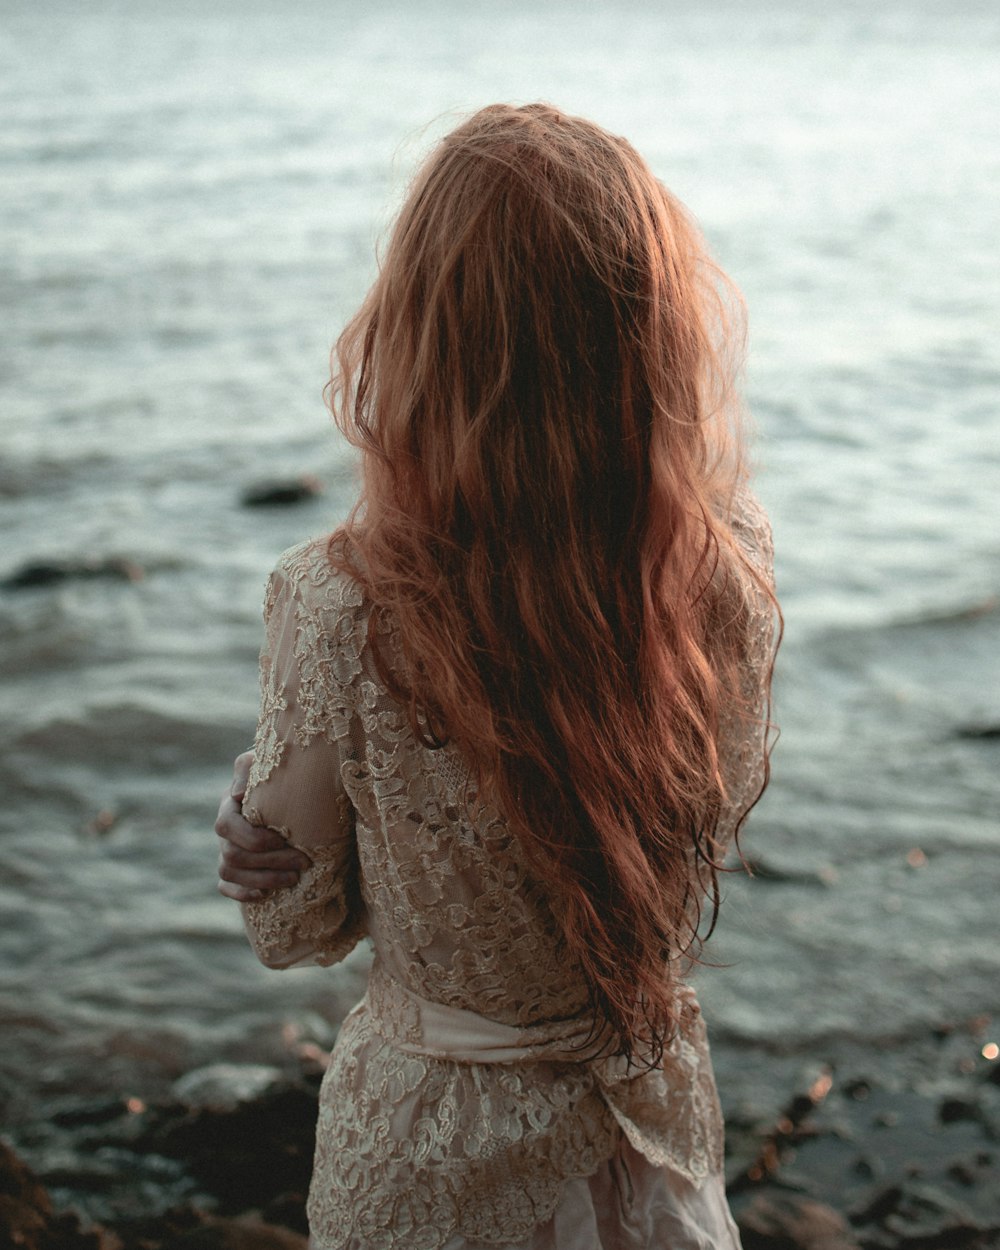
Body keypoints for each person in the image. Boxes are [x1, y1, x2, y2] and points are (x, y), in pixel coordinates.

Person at [215, 102, 779, 1250]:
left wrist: (253, 813)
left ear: (422, 326)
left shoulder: (339, 602)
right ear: (646, 327)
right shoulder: (719, 570)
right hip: (648, 1152)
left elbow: (293, 926)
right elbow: (685, 844)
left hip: (439, 1165)